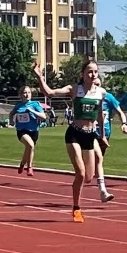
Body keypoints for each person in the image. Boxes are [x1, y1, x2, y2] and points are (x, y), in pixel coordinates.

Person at [33, 58, 113, 223]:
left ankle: (80, 197)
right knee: (81, 173)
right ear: (82, 74)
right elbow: (50, 93)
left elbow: (99, 115)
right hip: (74, 133)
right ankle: (76, 208)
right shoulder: (75, 89)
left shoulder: (101, 92)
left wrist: (103, 135)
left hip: (90, 135)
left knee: (89, 177)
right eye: (89, 72)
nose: (93, 75)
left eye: (95, 72)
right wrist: (40, 77)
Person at [11, 86, 47, 176]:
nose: (27, 95)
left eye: (29, 93)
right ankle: (29, 167)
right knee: (30, 145)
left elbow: (44, 117)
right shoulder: (18, 105)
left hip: (34, 131)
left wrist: (32, 111)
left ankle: (22, 164)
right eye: (25, 93)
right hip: (21, 131)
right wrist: (11, 120)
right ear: (21, 95)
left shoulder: (35, 104)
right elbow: (12, 113)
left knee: (29, 148)